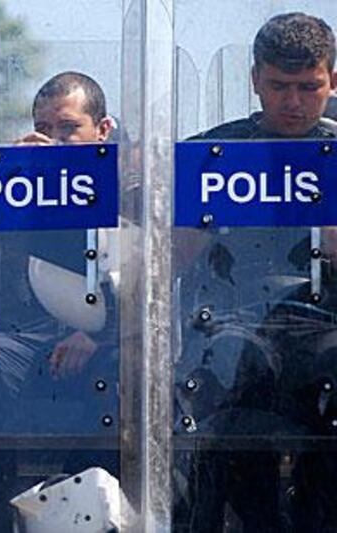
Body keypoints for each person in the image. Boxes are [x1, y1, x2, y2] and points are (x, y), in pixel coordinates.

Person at [174, 12, 337, 532]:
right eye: (279, 86)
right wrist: (197, 224)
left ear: (332, 80)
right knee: (231, 370)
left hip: (326, 326)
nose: (293, 102)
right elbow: (166, 262)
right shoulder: (213, 153)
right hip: (234, 326)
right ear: (255, 81)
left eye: (308, 87)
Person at [0, 71, 120, 533]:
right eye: (44, 129)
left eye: (68, 129)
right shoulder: (16, 190)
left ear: (102, 131)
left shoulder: (126, 189)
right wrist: (1, 180)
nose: (54, 141)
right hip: (22, 342)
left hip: (105, 342)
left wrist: (98, 332)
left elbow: (143, 280)